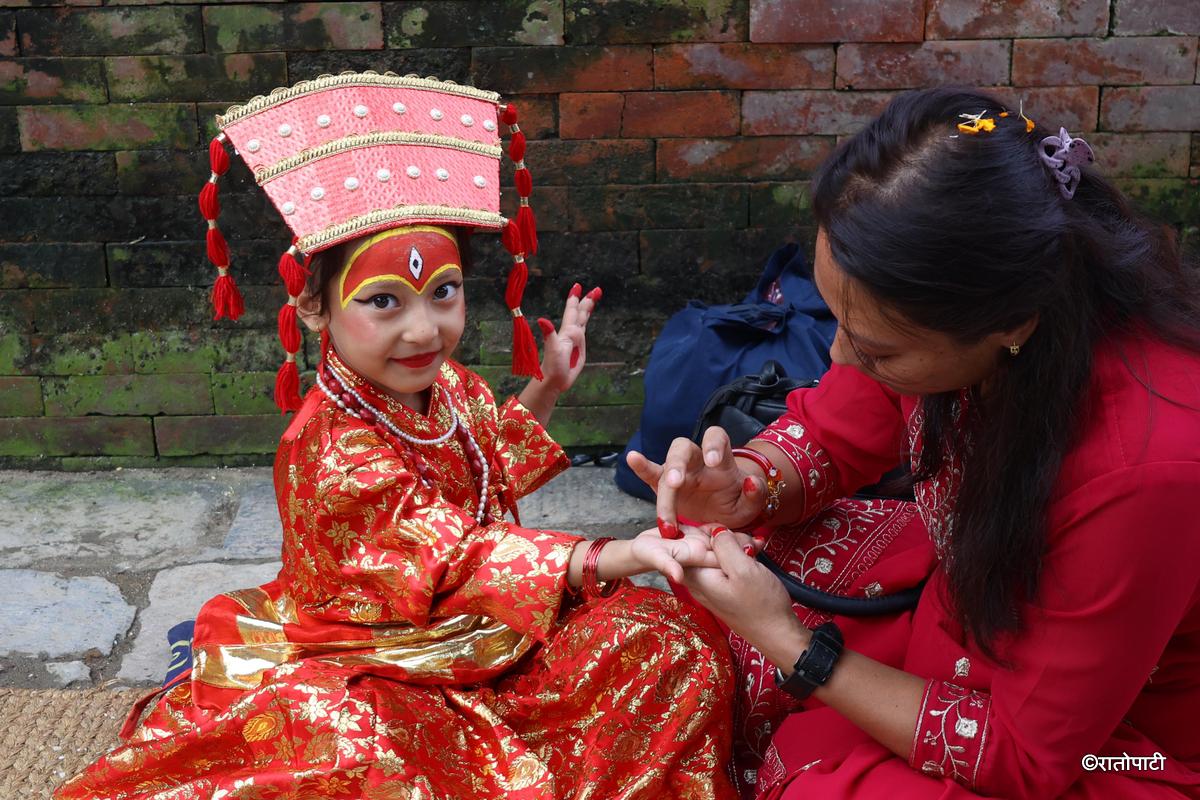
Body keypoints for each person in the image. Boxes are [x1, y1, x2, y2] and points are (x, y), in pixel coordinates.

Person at [57, 72, 739, 800]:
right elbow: (456, 552)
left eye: (443, 292)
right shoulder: (330, 445)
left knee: (672, 642)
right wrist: (618, 551)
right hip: (375, 651)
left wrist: (548, 386)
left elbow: (485, 462)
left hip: (484, 626)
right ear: (313, 308)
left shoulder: (442, 385)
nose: (424, 329)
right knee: (373, 763)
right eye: (383, 301)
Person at [629, 87, 1200, 799]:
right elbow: (846, 416)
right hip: (966, 626)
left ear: (1010, 323)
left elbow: (1028, 758)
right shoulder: (975, 311)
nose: (837, 353)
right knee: (740, 570)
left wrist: (794, 649)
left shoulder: (1146, 472)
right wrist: (744, 483)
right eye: (834, 314)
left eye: (876, 347)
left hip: (1113, 750)